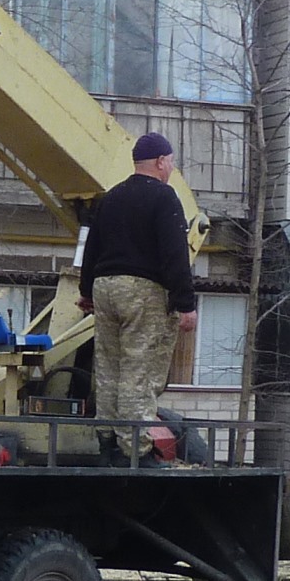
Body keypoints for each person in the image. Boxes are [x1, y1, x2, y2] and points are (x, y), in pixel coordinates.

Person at [77, 132, 196, 441]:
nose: (170, 169)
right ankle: (135, 447)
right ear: (160, 162)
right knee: (139, 369)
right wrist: (185, 303)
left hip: (104, 289)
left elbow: (92, 245)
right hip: (141, 291)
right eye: (170, 162)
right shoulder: (164, 197)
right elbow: (175, 254)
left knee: (108, 367)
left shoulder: (111, 197)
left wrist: (86, 291)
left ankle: (104, 440)